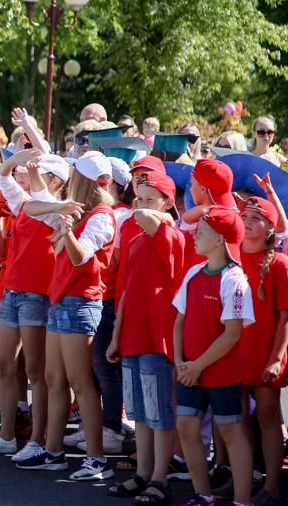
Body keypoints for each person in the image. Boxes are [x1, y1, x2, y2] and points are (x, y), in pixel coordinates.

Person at [17, 151, 116, 481]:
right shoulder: (74, 208)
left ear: (81, 180)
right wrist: (56, 208)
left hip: (81, 303)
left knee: (80, 383)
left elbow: (80, 256)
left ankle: (97, 459)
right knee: (53, 379)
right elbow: (32, 206)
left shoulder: (102, 215)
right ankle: (54, 451)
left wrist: (67, 230)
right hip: (62, 302)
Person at [0, 147, 68, 460]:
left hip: (36, 295)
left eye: (41, 172)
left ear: (56, 181)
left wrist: (28, 168)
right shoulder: (26, 204)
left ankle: (37, 441)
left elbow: (42, 197)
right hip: (12, 291)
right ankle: (6, 437)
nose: (30, 175)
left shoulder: (56, 209)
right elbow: (1, 177)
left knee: (35, 372)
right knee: (5, 365)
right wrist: (14, 160)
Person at [105, 170, 186, 503]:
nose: (141, 206)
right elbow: (124, 293)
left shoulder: (171, 234)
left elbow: (143, 216)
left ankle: (160, 478)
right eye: (139, 198)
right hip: (133, 336)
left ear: (168, 203)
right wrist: (115, 336)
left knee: (159, 413)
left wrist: (141, 203)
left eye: (151, 199)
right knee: (140, 412)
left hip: (157, 337)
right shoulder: (137, 239)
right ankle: (143, 474)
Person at [173, 207, 254, 506]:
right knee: (185, 426)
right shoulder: (194, 272)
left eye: (202, 233)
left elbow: (231, 335)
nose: (196, 236)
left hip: (219, 371)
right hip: (190, 369)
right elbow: (179, 320)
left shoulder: (234, 279)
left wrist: (196, 366)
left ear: (220, 240)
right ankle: (202, 495)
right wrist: (181, 361)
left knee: (231, 432)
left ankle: (243, 501)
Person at [232, 197, 288, 505]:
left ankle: (272, 486)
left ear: (271, 227)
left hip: (264, 355)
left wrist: (275, 358)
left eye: (255, 218)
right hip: (232, 354)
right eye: (243, 215)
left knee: (269, 419)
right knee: (235, 420)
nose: (246, 221)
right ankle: (244, 481)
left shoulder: (279, 262)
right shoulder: (229, 255)